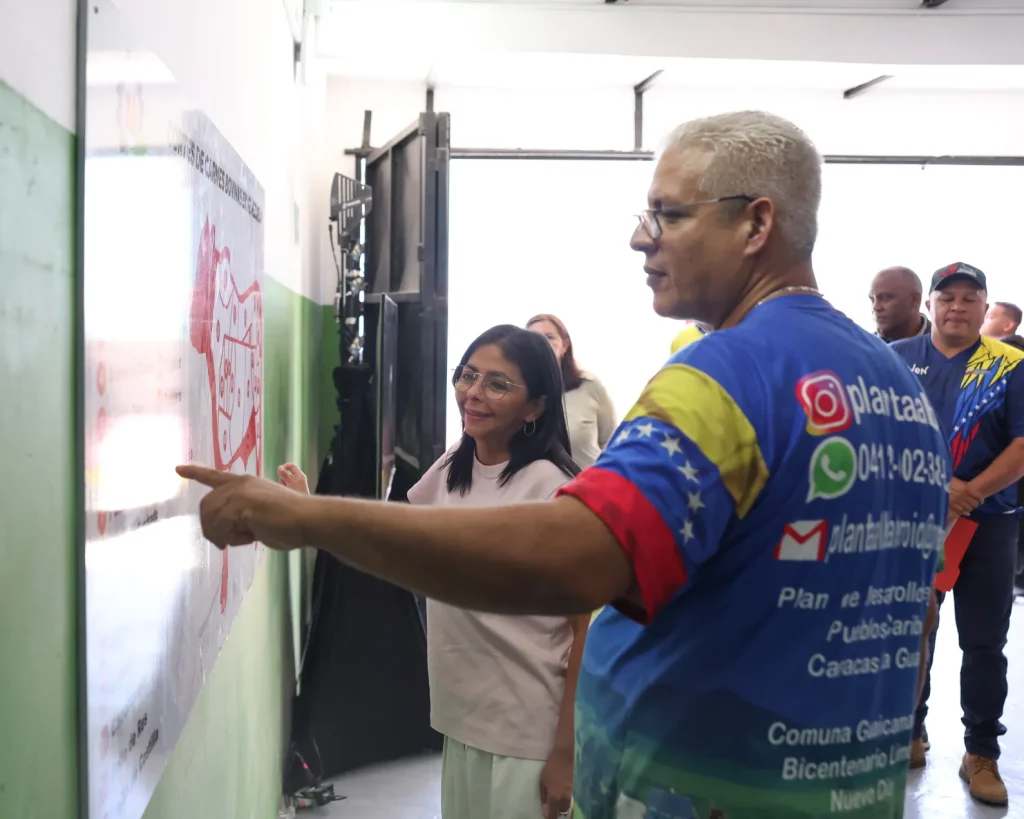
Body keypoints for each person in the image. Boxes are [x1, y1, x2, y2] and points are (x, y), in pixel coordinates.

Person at [178, 111, 949, 818]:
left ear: (757, 223)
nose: (642, 238)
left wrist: (309, 519)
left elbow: (573, 562)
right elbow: (908, 619)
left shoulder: (732, 375)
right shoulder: (897, 390)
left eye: (669, 214)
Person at [890, 263, 1024, 807]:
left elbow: (1022, 446)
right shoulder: (895, 358)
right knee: (910, 631)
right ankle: (909, 732)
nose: (958, 307)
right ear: (930, 305)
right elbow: (882, 434)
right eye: (948, 297)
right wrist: (940, 487)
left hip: (989, 524)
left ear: (985, 306)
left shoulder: (1010, 364)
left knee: (985, 641)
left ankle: (981, 752)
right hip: (915, 519)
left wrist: (969, 492)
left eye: (971, 298)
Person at [527, 314, 616, 469]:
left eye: (549, 337)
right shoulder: (519, 394)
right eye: (535, 339)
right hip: (537, 483)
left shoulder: (590, 386)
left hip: (588, 481)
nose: (543, 344)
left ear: (565, 345)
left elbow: (612, 443)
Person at [869, 266, 931, 342]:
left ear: (914, 300)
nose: (875, 307)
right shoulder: (863, 347)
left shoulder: (942, 344)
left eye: (885, 298)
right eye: (872, 299)